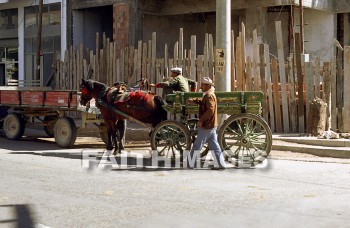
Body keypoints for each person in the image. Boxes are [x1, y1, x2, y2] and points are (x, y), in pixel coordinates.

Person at [187, 77, 229, 170]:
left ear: (208, 86)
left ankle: (190, 163)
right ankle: (220, 164)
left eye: (203, 85)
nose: (201, 86)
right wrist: (194, 100)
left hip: (207, 125)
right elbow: (203, 103)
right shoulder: (208, 94)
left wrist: (201, 120)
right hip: (211, 125)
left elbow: (210, 110)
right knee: (214, 146)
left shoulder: (209, 95)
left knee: (198, 145)